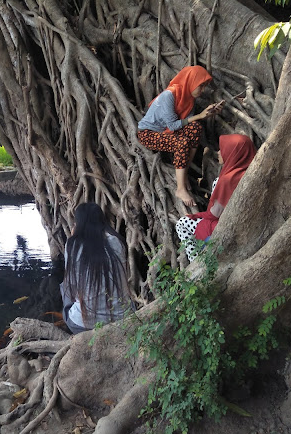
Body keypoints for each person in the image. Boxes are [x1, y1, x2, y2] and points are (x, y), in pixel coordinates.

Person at [138, 65, 225, 207]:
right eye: (200, 86)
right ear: (191, 81)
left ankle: (183, 175)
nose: (202, 91)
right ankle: (180, 189)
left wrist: (209, 114)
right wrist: (199, 115)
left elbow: (187, 124)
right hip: (148, 134)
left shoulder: (189, 100)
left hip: (167, 133)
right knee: (182, 142)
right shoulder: (169, 95)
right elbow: (173, 125)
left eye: (204, 87)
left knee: (195, 129)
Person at [176, 134, 257, 261]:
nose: (219, 152)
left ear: (233, 153)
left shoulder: (226, 180)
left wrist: (199, 215)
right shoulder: (254, 174)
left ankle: (197, 262)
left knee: (182, 223)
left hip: (227, 229)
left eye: (224, 149)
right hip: (251, 227)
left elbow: (216, 213)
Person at [60, 203, 133, 334]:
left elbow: (72, 284)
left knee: (66, 284)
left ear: (78, 223)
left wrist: (72, 238)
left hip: (82, 325)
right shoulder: (117, 242)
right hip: (122, 319)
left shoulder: (73, 245)